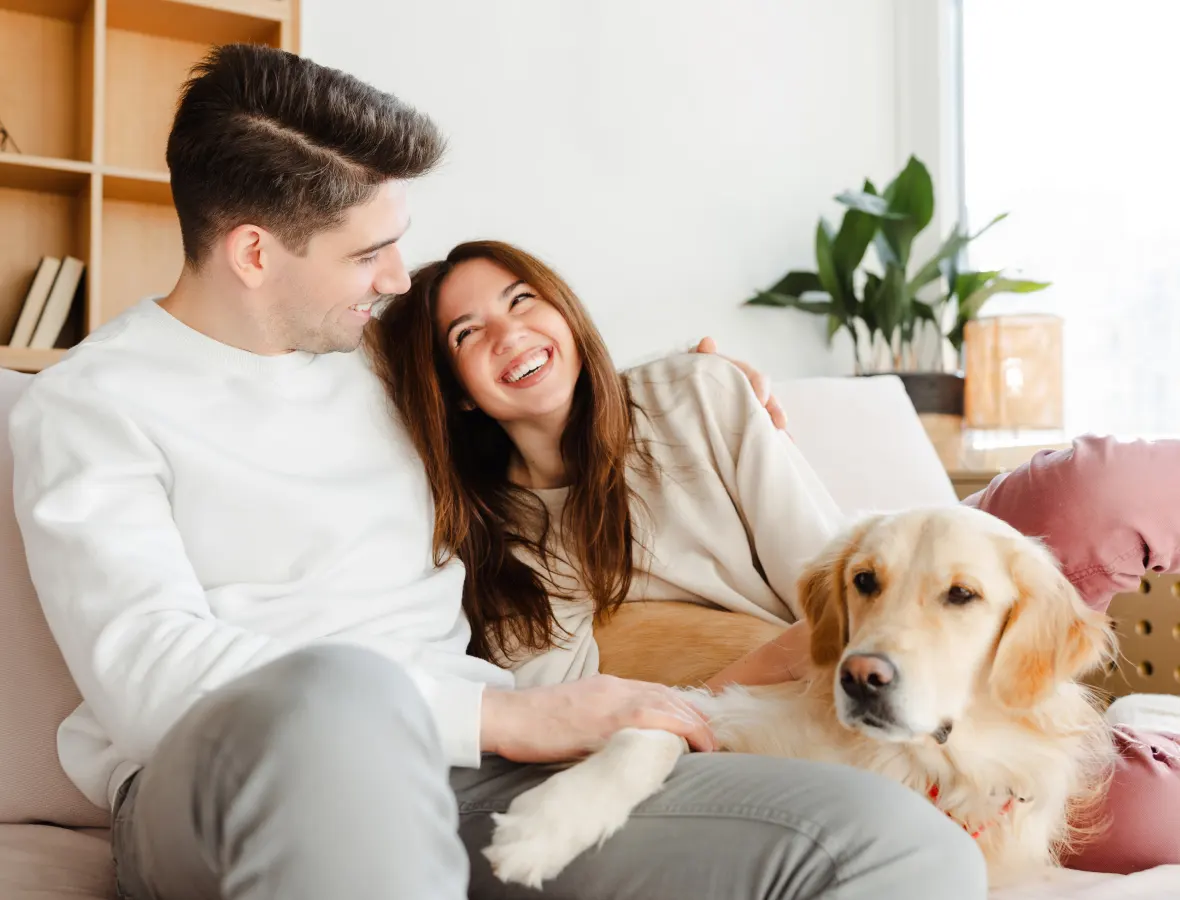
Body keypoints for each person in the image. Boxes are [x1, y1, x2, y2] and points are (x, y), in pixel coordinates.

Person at [6, 43, 989, 900]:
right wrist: (513, 712)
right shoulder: (92, 405)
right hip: (228, 780)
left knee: (901, 854)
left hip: (470, 764)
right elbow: (148, 671)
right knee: (341, 696)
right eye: (372, 253)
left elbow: (534, 374)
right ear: (254, 253)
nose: (398, 278)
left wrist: (701, 383)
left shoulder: (387, 365)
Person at [370, 238, 1180, 878]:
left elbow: (831, 585)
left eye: (523, 300)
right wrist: (746, 692)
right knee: (1144, 812)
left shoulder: (696, 391)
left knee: (1106, 488)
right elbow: (584, 709)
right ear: (460, 390)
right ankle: (1133, 735)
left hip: (924, 576)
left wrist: (737, 678)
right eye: (467, 333)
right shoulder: (495, 550)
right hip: (851, 709)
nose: (510, 333)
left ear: (567, 314)